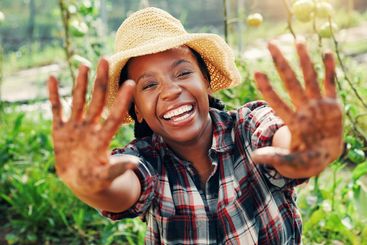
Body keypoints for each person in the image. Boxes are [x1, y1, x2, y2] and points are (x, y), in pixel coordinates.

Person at [48, 7, 343, 244]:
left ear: (205, 81)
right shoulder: (148, 160)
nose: (170, 91)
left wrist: (309, 145)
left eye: (182, 73)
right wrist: (91, 184)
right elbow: (120, 187)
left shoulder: (246, 127)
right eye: (149, 84)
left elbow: (283, 142)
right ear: (136, 108)